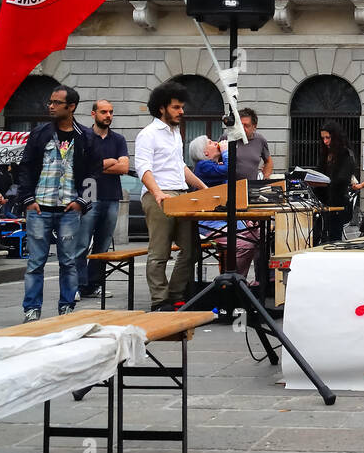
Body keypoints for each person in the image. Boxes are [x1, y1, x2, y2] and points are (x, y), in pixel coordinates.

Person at [15, 85, 95, 322]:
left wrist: (83, 202)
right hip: (39, 206)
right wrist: (28, 200)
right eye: (50, 102)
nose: (50, 106)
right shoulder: (40, 133)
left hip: (70, 208)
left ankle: (67, 308)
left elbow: (94, 172)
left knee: (69, 261)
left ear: (71, 107)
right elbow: (26, 167)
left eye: (56, 103)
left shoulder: (86, 136)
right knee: (35, 262)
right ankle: (31, 310)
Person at [136, 81, 208, 311]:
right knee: (160, 252)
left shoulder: (176, 134)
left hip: (181, 194)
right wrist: (157, 193)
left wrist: (203, 187)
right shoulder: (148, 134)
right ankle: (159, 300)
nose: (181, 111)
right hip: (160, 195)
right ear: (162, 108)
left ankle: (176, 295)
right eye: (176, 107)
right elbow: (143, 168)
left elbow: (180, 167)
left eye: (181, 107)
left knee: (192, 249)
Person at [76, 98, 129, 301]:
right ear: (93, 114)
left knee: (103, 245)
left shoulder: (118, 139)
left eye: (111, 112)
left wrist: (97, 165)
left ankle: (94, 284)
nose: (108, 116)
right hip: (89, 196)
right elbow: (81, 168)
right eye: (104, 112)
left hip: (111, 196)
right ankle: (78, 285)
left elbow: (124, 168)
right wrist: (109, 162)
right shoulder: (84, 137)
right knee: (81, 244)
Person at [189, 135, 256, 276]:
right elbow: (229, 170)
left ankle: (250, 279)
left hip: (223, 220)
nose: (216, 143)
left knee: (258, 234)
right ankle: (232, 279)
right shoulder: (203, 165)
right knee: (246, 244)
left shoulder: (212, 165)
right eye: (211, 143)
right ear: (205, 153)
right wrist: (226, 151)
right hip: (211, 223)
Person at [319, 123, 357, 242]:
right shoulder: (327, 153)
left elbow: (343, 178)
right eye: (323, 138)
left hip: (337, 200)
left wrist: (327, 182)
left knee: (334, 235)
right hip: (325, 199)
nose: (325, 141)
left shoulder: (345, 154)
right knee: (323, 233)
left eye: (328, 138)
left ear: (335, 137)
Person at [234, 108, 273, 183]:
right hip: (228, 187)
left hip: (251, 187)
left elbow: (268, 161)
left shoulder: (260, 140)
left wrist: (266, 177)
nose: (242, 129)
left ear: (254, 127)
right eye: (240, 125)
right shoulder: (228, 137)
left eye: (246, 126)